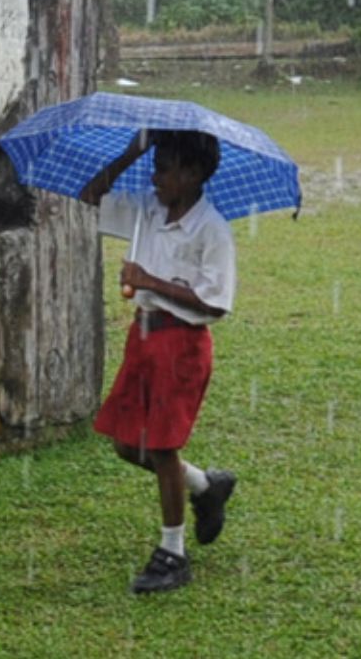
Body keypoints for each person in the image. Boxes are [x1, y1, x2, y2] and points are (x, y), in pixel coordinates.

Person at [78, 129, 238, 594]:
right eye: (156, 164)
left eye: (165, 167)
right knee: (128, 445)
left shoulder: (212, 230)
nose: (155, 176)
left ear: (192, 175)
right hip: (143, 338)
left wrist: (151, 279)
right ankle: (206, 487)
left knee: (162, 447)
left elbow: (216, 302)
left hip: (181, 345)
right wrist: (134, 149)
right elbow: (92, 194)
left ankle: (173, 553)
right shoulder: (148, 210)